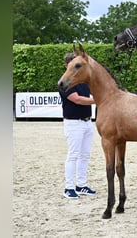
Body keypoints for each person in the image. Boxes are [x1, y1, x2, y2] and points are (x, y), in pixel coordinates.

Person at [59, 52, 96, 199]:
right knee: (73, 156)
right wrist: (97, 100)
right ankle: (69, 187)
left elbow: (88, 96)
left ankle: (81, 185)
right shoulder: (65, 83)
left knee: (85, 155)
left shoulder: (82, 82)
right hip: (74, 123)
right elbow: (78, 100)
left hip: (87, 122)